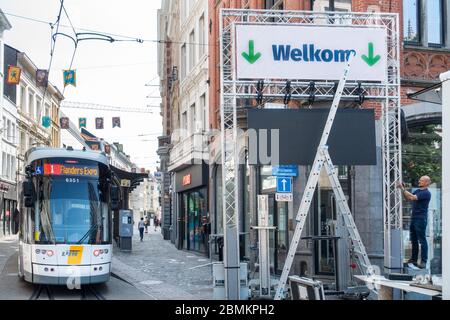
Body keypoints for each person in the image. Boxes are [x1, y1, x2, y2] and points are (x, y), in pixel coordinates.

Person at [398, 176, 432, 269]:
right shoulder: (418, 191)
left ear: (427, 182)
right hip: (414, 218)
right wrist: (403, 190)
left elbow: (412, 197)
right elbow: (408, 198)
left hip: (420, 219)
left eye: (421, 180)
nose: (419, 181)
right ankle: (414, 259)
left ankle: (424, 261)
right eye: (419, 180)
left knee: (422, 240)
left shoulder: (426, 193)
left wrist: (402, 188)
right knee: (413, 240)